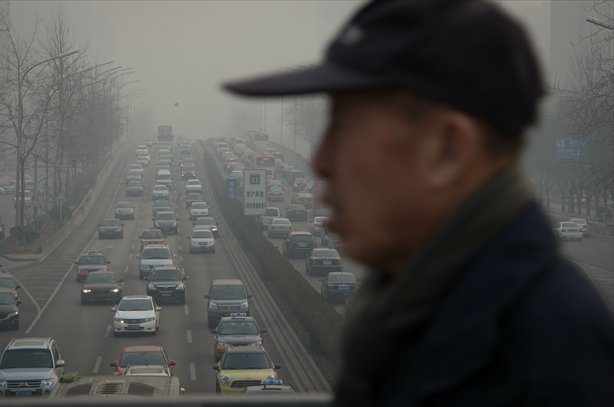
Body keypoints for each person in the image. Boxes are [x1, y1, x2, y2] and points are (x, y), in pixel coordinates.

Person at [223, 0, 614, 405]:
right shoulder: (433, 315)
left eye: (344, 127)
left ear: (447, 150)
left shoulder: (542, 357)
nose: (320, 161)